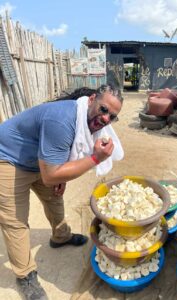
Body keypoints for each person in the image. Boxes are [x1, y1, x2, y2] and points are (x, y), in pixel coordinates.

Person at [0, 84, 123, 300]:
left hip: (37, 159)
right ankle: (25, 275)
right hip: (9, 158)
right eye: (103, 109)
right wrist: (95, 159)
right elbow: (50, 176)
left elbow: (64, 153)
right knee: (16, 221)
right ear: (92, 99)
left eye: (112, 117)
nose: (105, 119)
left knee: (54, 197)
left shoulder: (82, 118)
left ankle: (60, 236)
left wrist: (62, 173)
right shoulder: (62, 120)